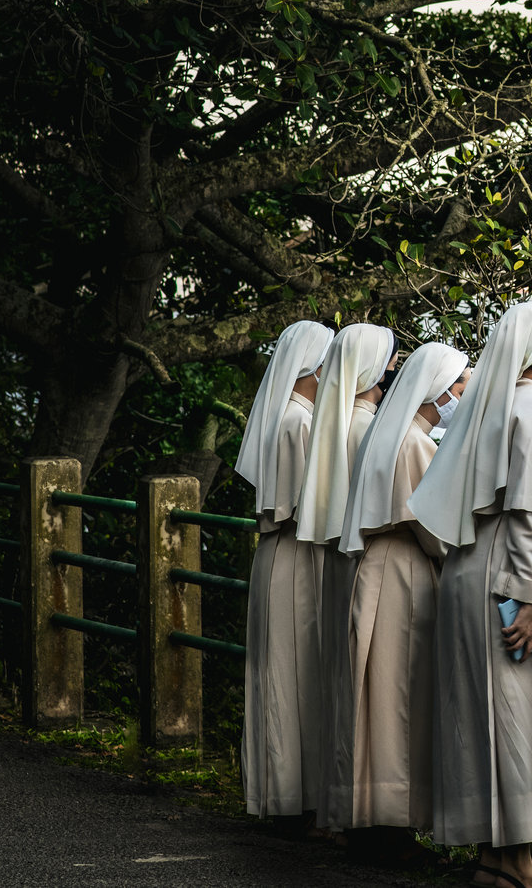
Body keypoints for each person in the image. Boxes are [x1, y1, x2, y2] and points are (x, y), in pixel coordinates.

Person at [410, 302, 532, 888]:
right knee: (519, 717)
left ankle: (492, 859)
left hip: (473, 569)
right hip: (511, 578)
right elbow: (529, 514)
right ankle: (520, 865)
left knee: (481, 714)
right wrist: (529, 599)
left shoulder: (485, 409)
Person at [336, 341, 470, 866]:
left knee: (374, 695)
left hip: (377, 570)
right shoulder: (415, 444)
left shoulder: (385, 435)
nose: (460, 394)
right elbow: (435, 528)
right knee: (400, 698)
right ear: (436, 389)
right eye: (456, 386)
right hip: (405, 574)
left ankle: (368, 816)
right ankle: (393, 827)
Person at [294, 320, 398, 835]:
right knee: (362, 686)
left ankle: (335, 806)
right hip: (364, 564)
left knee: (338, 679)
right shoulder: (368, 426)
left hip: (335, 558)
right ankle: (363, 813)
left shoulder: (331, 422)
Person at [234, 319, 334, 826]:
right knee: (297, 675)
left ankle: (279, 791)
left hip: (274, 556)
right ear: (313, 368)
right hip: (297, 555)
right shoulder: (300, 423)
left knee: (276, 675)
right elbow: (307, 505)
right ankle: (298, 798)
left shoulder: (282, 417)